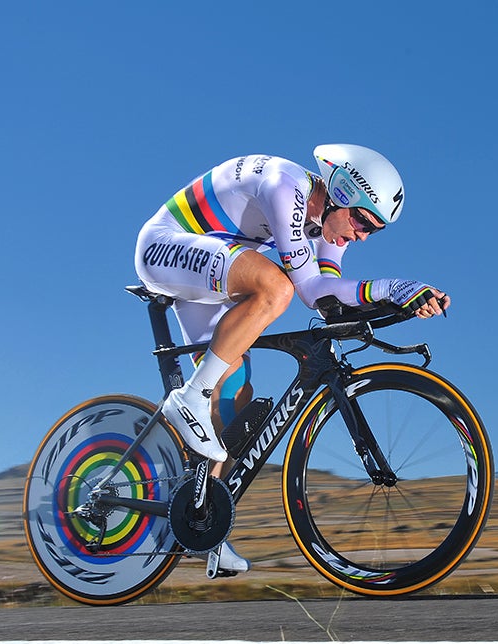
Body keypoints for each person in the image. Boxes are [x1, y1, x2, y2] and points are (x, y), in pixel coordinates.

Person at [134, 144, 449, 573]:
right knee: (276, 289)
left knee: (232, 400)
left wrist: (402, 304)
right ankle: (188, 398)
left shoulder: (326, 228)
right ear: (340, 191)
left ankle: (204, 524)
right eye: (361, 221)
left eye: (372, 231)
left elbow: (327, 299)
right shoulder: (286, 188)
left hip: (214, 265)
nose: (359, 236)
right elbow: (306, 290)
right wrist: (390, 287)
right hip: (166, 247)